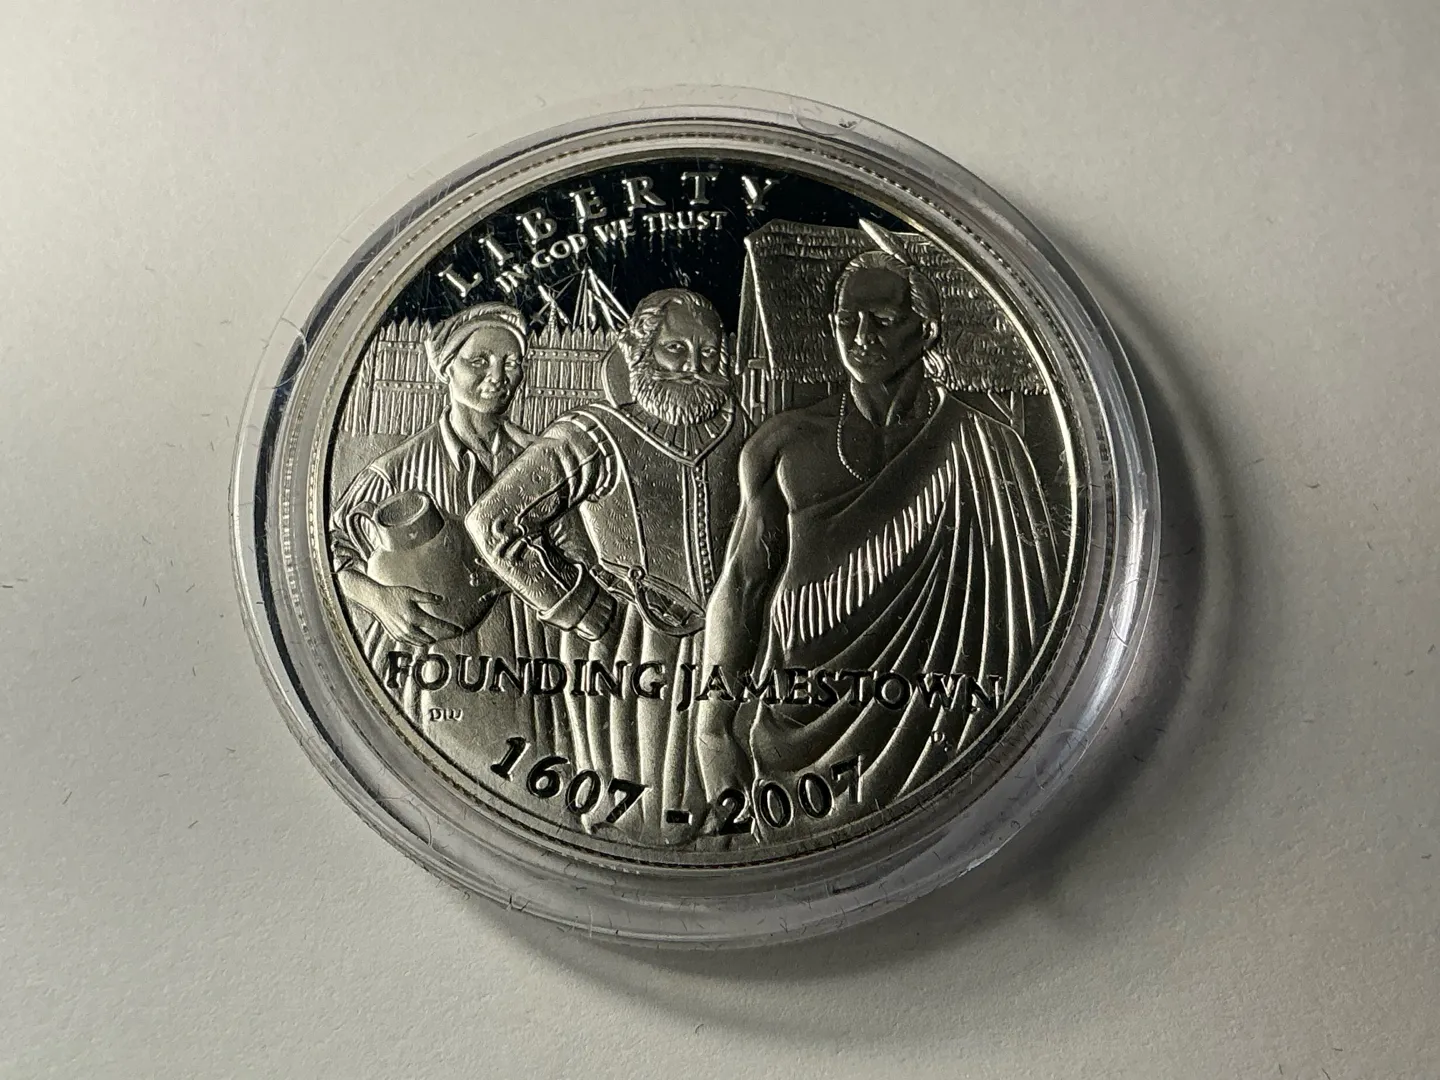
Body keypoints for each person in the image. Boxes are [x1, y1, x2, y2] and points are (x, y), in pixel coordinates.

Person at [696, 225, 1060, 823]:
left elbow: (1030, 604)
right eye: (847, 320)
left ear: (927, 328)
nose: (861, 338)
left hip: (944, 720)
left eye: (883, 321)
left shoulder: (986, 446)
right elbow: (740, 588)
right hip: (799, 719)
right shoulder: (783, 445)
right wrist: (712, 727)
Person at [467, 288, 746, 841]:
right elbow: (493, 523)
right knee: (638, 814)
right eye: (675, 349)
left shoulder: (741, 432)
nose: (693, 367)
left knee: (718, 810)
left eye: (708, 353)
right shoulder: (593, 435)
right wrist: (576, 605)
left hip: (726, 643)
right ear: (639, 351)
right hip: (628, 648)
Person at [329, 302, 557, 771]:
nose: (498, 377)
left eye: (512, 363)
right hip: (429, 673)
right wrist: (377, 598)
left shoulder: (541, 464)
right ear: (446, 368)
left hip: (527, 665)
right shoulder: (395, 471)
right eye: (479, 361)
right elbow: (330, 553)